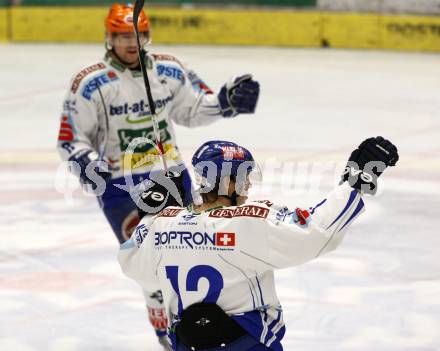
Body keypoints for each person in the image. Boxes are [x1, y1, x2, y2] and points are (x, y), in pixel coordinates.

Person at [56, 3, 259, 350]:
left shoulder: (169, 68)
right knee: (150, 266)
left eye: (135, 35)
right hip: (121, 185)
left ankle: (200, 326)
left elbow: (192, 109)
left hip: (172, 175)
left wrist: (225, 102)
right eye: (121, 37)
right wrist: (90, 167)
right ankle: (169, 337)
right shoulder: (90, 83)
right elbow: (70, 138)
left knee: (191, 252)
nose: (130, 44)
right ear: (109, 38)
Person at [118, 137, 399, 350]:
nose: (248, 186)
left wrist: (152, 215)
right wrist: (354, 181)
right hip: (246, 342)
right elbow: (316, 231)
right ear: (225, 182)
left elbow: (134, 266)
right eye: (242, 178)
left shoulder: (165, 224)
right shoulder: (246, 222)